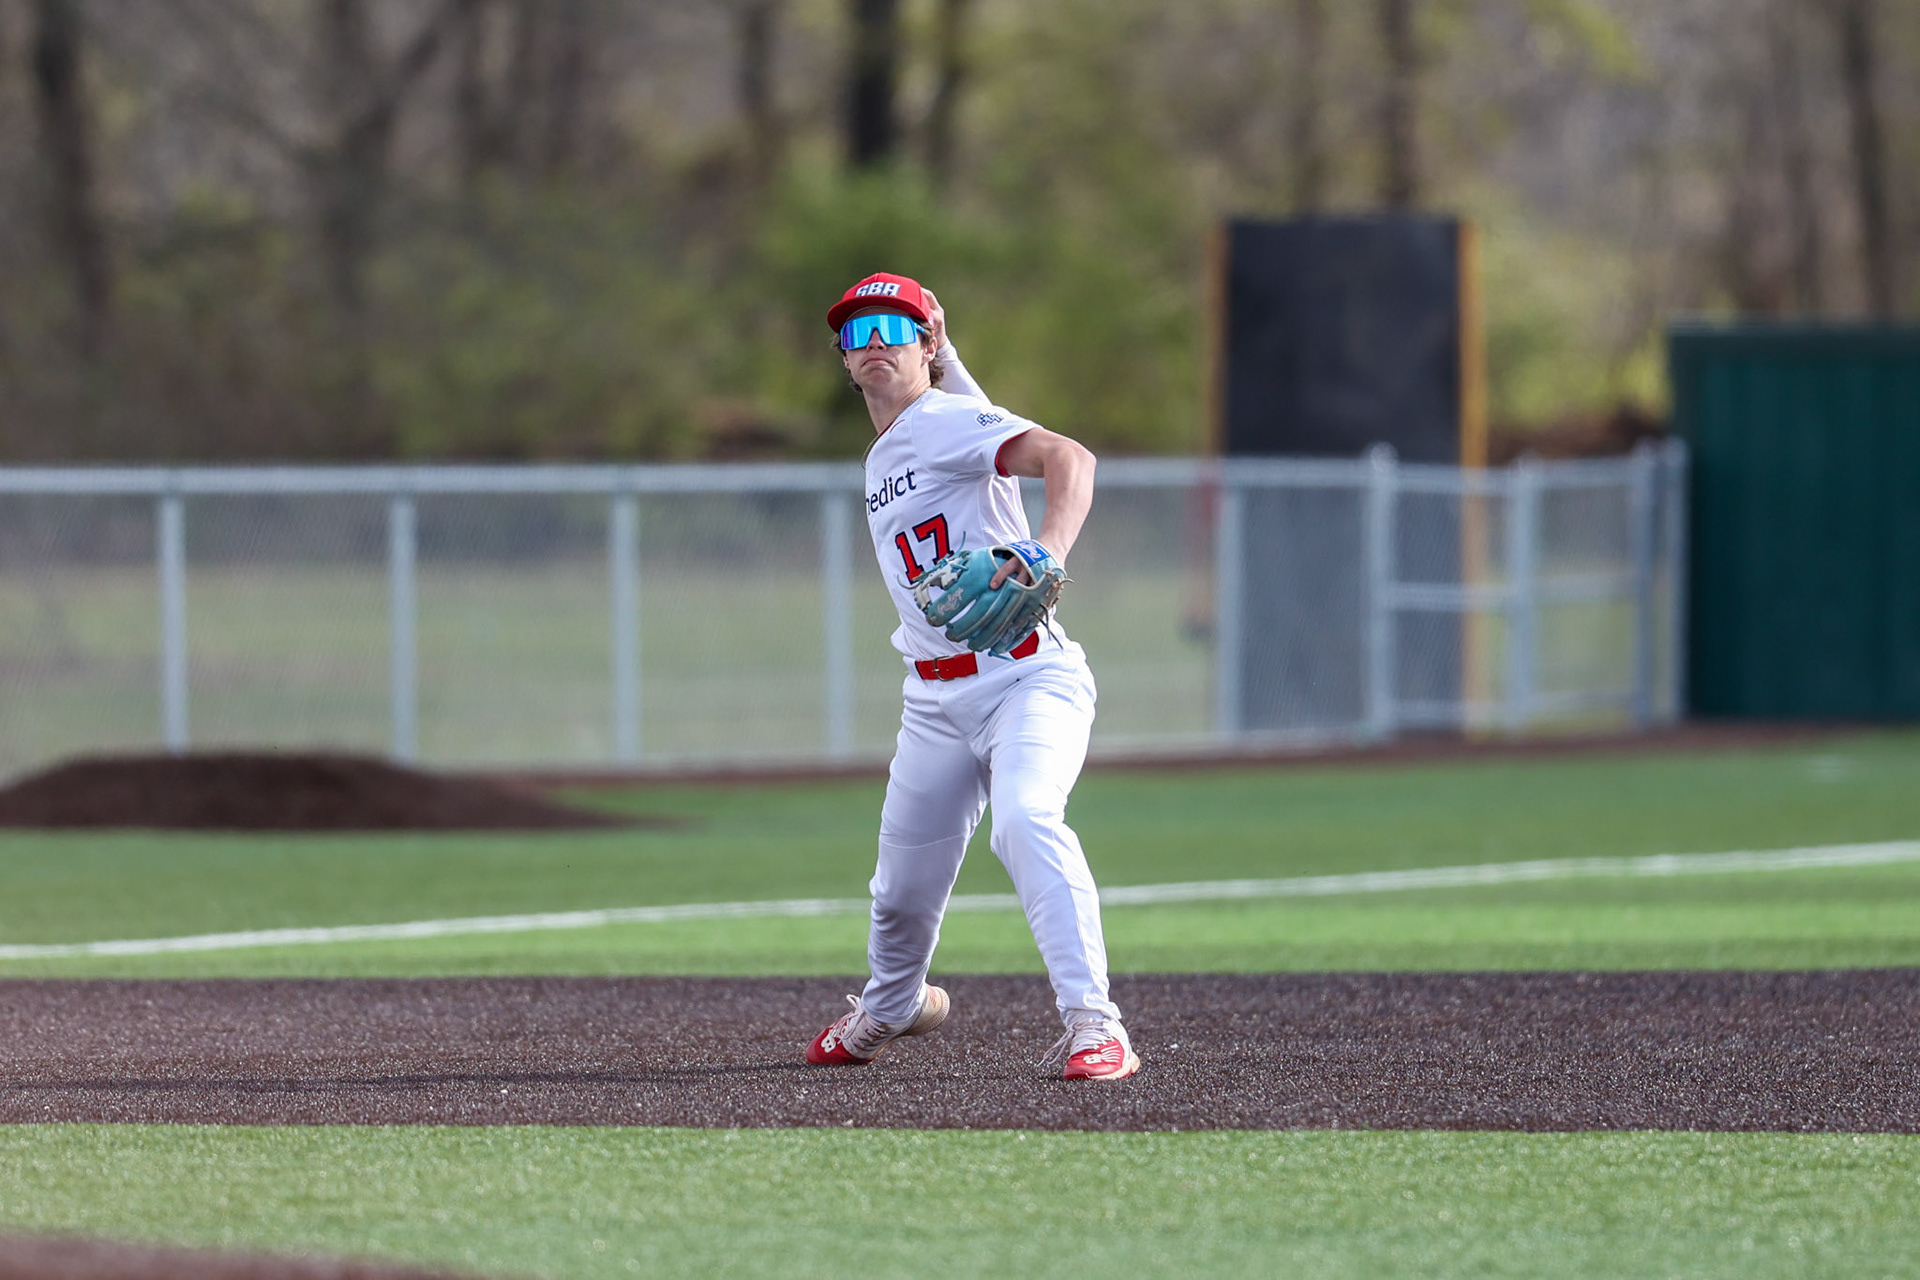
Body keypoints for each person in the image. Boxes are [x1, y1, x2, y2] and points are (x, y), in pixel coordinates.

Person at [803, 272, 1139, 1081]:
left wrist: (1048, 554)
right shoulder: (897, 444)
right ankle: (893, 1004)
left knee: (1024, 820)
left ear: (928, 343)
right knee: (898, 893)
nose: (874, 342)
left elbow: (1070, 457)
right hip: (933, 699)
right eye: (857, 333)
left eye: (894, 327)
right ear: (845, 362)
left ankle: (1099, 1027)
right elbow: (963, 426)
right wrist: (945, 351)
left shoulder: (941, 419)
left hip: (1027, 677)